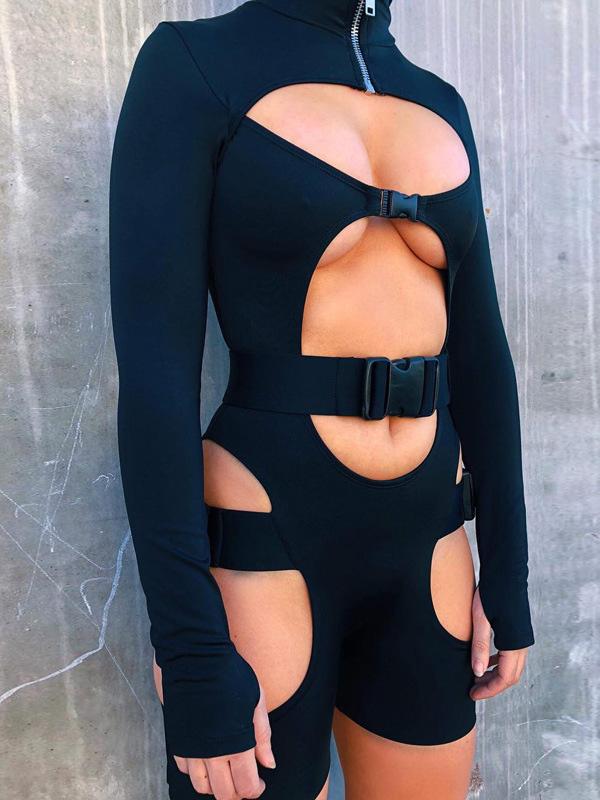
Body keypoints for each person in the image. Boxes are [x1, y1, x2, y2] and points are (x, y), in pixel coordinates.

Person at [108, 1, 535, 798]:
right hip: (268, 533)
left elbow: (482, 354)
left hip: (429, 542)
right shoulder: (193, 65)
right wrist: (191, 649)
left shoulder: (440, 101)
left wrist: (508, 573)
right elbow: (157, 373)